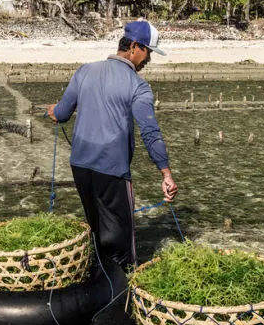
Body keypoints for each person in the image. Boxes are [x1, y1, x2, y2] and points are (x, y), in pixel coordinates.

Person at [46, 20, 178, 269]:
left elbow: (62, 114)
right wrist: (166, 174)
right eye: (148, 52)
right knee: (121, 243)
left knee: (96, 229)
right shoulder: (139, 86)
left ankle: (97, 279)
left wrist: (54, 111)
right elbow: (150, 133)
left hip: (80, 167)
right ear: (135, 47)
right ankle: (120, 291)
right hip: (113, 172)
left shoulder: (84, 71)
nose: (148, 59)